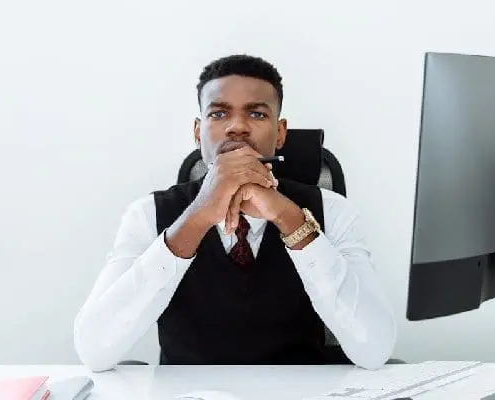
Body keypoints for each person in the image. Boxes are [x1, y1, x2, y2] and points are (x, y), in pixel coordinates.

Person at [73, 54, 397, 372]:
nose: (237, 127)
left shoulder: (333, 211)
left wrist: (291, 220)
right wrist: (197, 218)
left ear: (281, 132)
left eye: (256, 114)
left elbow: (375, 350)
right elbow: (94, 351)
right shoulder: (147, 214)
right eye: (218, 114)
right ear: (198, 131)